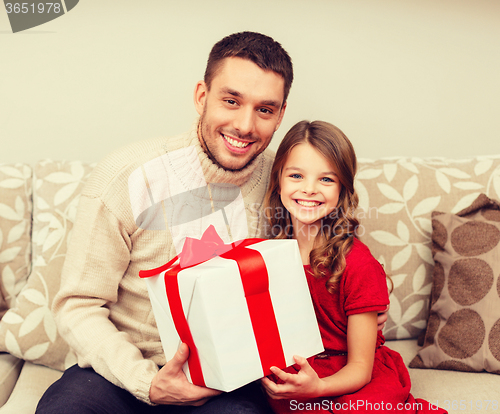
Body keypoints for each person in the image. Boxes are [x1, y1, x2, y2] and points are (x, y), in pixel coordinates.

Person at [36, 32, 388, 414]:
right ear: (202, 96)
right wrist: (146, 383)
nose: (245, 125)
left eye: (265, 110)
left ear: (281, 114)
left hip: (230, 382)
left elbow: (327, 256)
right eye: (231, 101)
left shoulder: (288, 183)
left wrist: (363, 308)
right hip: (123, 373)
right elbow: (78, 304)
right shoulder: (127, 177)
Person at [260, 120, 446, 414]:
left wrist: (318, 388)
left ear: (342, 189)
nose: (309, 189)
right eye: (296, 175)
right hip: (305, 373)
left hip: (357, 375)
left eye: (326, 179)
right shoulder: (267, 255)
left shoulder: (358, 264)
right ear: (278, 180)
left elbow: (360, 367)